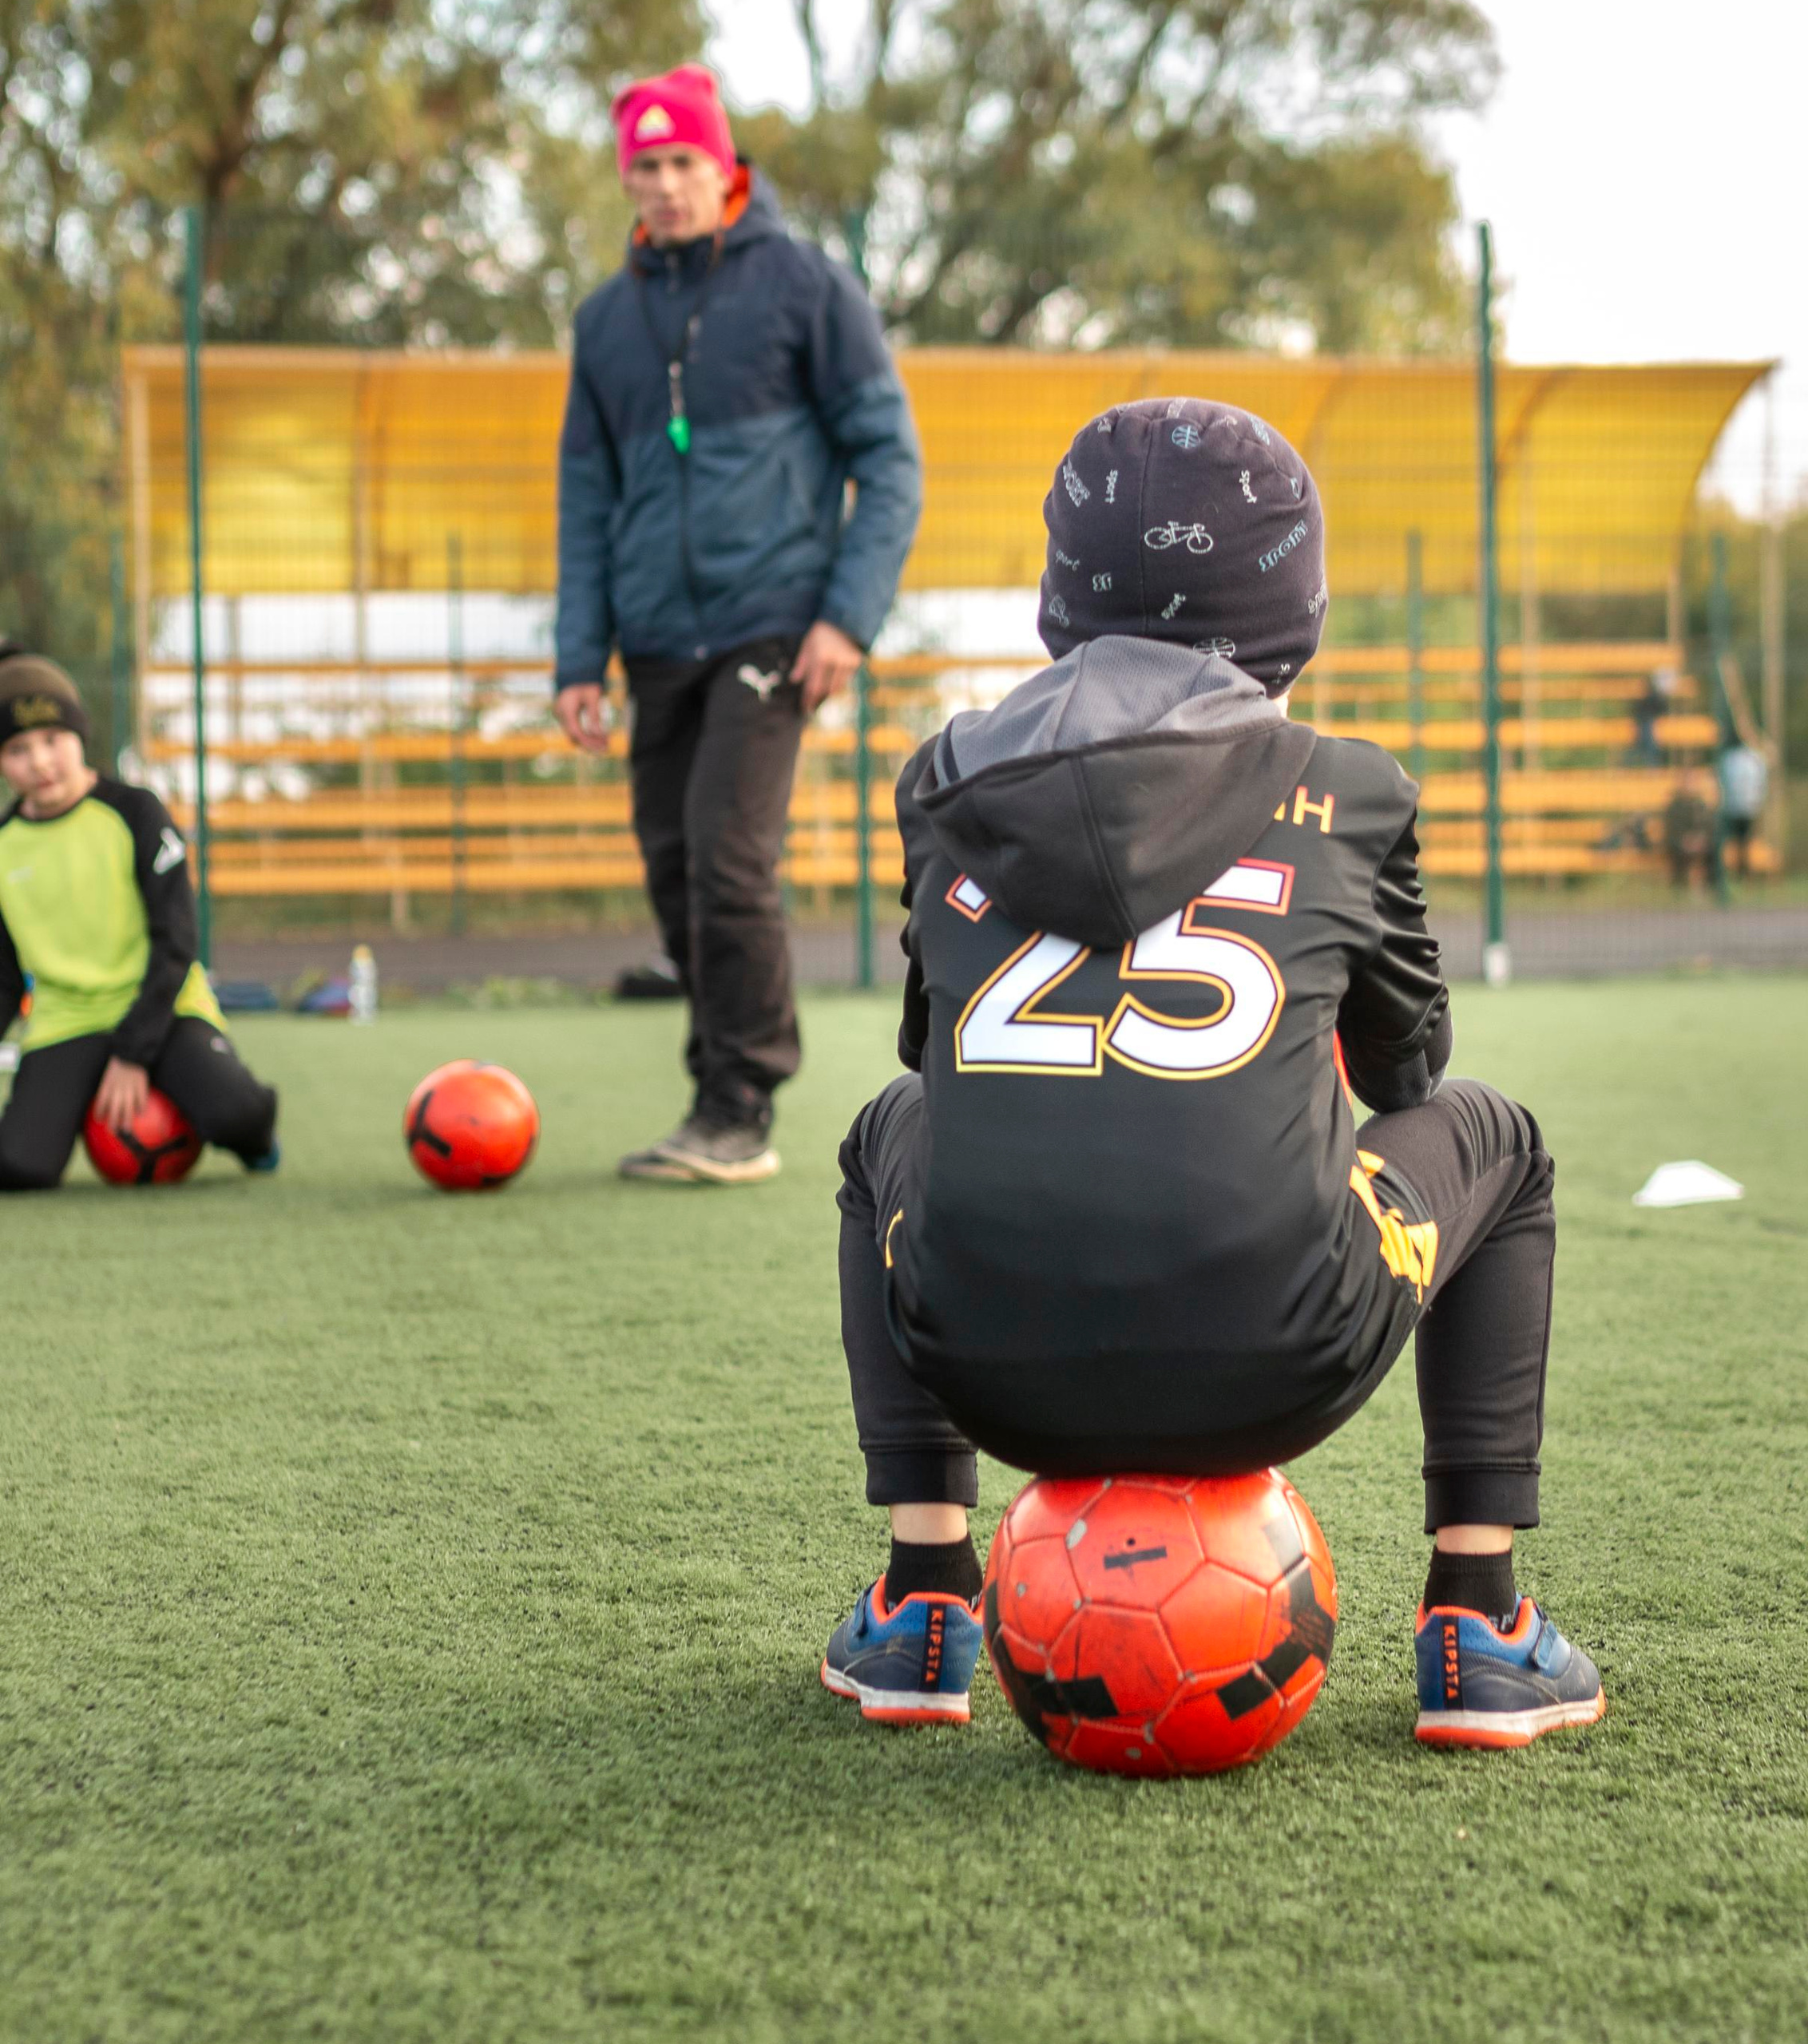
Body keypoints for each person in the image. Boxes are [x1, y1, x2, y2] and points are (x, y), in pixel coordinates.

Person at [818, 401, 1604, 1751]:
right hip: (1277, 1357)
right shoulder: (1350, 785)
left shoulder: (940, 777)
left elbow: (931, 1062)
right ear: (1288, 601)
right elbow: (1413, 1071)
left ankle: (923, 1600)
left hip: (987, 1365)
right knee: (1503, 1145)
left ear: (1064, 595)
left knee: (882, 1127)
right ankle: (1479, 1622)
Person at [553, 63, 922, 1186]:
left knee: (727, 854)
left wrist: (846, 621)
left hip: (773, 626)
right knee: (673, 866)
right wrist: (580, 655)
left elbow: (890, 463)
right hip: (654, 638)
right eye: (645, 167)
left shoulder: (809, 288)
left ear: (726, 172)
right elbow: (585, 493)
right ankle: (711, 1089)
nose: (663, 185)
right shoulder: (606, 321)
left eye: (683, 164)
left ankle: (739, 1099)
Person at [0, 648, 278, 1190]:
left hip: (162, 1005)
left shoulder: (135, 812)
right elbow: (5, 978)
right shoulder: (4, 845)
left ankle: (257, 1135)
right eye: (17, 748)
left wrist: (133, 1052)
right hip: (68, 1022)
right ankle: (70, 1104)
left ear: (80, 735)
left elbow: (176, 942)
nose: (39, 762)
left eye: (52, 740)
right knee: (18, 1168)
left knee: (236, 1115)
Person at [1718, 739, 1768, 877]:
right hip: (1738, 805)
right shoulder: (1733, 759)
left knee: (1745, 840)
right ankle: (1737, 871)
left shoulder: (1751, 759)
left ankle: (1744, 871)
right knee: (1737, 840)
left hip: (1745, 806)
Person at [1663, 770, 1715, 892]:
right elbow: (1672, 829)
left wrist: (1700, 839)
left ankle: (1706, 886)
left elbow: (1707, 826)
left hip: (1699, 843)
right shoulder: (1674, 806)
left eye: (1693, 782)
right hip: (1680, 842)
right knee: (1682, 852)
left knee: (1711, 849)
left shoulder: (1701, 805)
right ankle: (1682, 886)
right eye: (1687, 782)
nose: (1690, 785)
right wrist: (1685, 840)